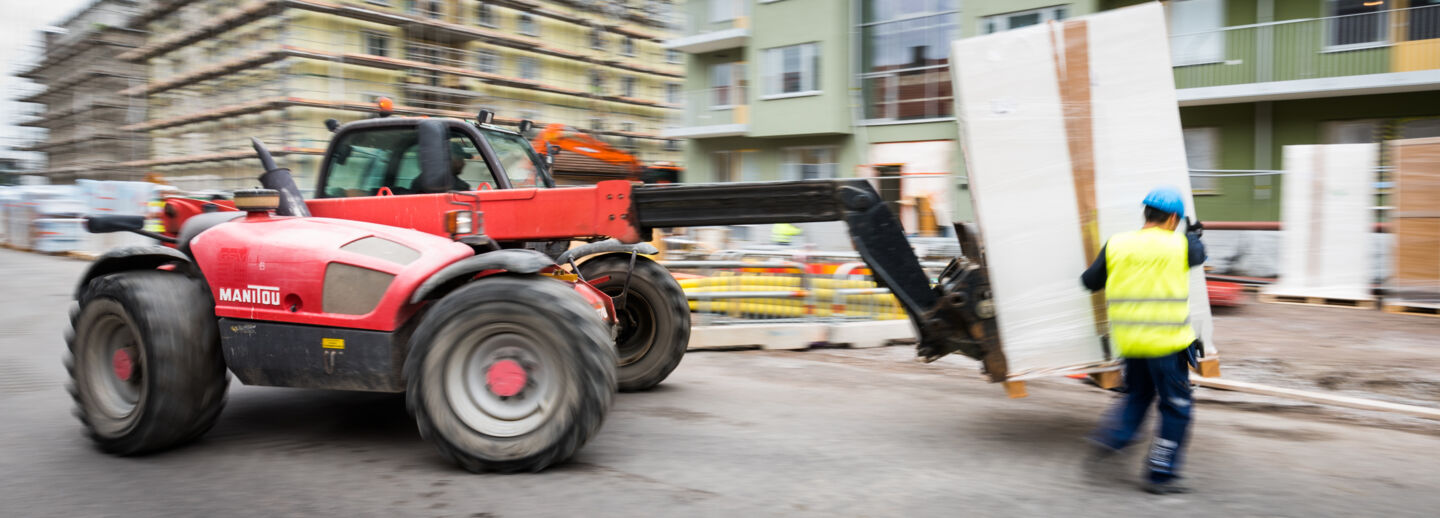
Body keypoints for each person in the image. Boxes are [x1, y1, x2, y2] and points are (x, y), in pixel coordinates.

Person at [1080, 186, 1206, 495]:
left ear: (1146, 214)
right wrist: (1193, 236)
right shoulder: (1180, 245)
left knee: (1137, 396)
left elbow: (1089, 281)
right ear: (1173, 218)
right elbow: (1199, 255)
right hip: (1168, 345)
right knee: (1176, 408)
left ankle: (1111, 437)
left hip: (1131, 344)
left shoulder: (1117, 244)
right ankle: (1160, 474)